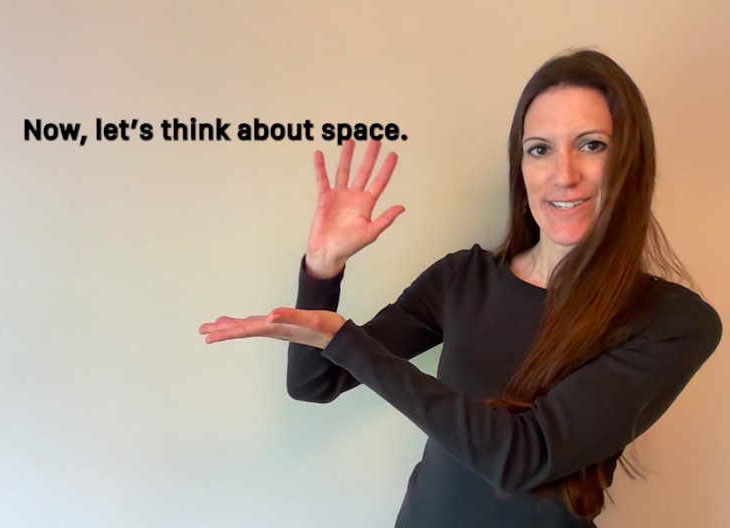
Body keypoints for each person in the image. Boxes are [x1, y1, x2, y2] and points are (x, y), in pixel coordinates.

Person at [199, 49, 723, 527]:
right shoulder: (462, 279)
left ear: (630, 161)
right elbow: (314, 383)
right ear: (521, 169)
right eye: (539, 149)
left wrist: (345, 340)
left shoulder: (672, 322)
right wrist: (322, 268)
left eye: (591, 145)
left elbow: (520, 458)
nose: (563, 174)